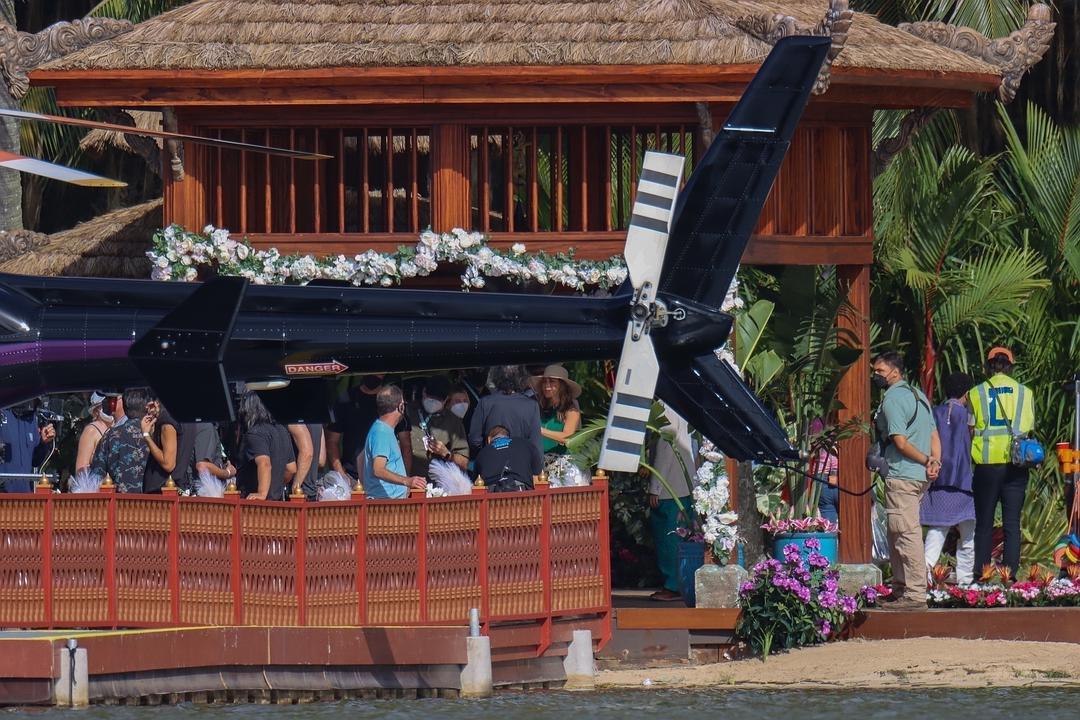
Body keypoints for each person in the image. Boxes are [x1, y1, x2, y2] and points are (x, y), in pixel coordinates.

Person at [871, 351, 940, 609]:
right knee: (897, 532)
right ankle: (900, 589)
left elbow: (899, 442)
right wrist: (935, 462)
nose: (876, 376)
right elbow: (934, 436)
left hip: (903, 474)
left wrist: (925, 460)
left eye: (880, 371)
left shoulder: (892, 399)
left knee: (906, 534)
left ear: (895, 372)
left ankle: (914, 594)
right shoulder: (918, 395)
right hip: (918, 477)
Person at [970, 346, 1035, 580]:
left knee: (984, 524)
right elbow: (1029, 427)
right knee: (1012, 523)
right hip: (1016, 465)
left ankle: (982, 576)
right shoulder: (1025, 393)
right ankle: (1009, 576)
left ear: (988, 366)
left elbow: (971, 427)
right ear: (1010, 366)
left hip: (986, 465)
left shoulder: (976, 393)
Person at [922, 372, 977, 586]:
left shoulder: (934, 413)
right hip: (964, 483)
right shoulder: (969, 416)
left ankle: (924, 577)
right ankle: (965, 581)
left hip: (939, 479)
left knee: (937, 530)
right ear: (967, 393)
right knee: (968, 536)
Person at [647, 404, 695, 602]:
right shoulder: (679, 405)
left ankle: (673, 585)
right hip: (683, 484)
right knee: (681, 537)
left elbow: (665, 448)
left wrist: (655, 486)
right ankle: (680, 584)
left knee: (669, 539)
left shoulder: (665, 407)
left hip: (670, 486)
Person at [326, 375, 409, 480]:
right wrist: (342, 476)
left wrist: (405, 479)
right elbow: (332, 441)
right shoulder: (346, 399)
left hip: (387, 480)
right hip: (352, 477)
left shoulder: (392, 402)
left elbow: (406, 445)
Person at [361, 385, 426, 499]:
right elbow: (378, 469)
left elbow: (360, 458)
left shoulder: (382, 430)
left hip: (387, 502)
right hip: (385, 504)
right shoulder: (382, 433)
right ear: (401, 407)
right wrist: (407, 481)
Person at [89, 388, 153, 493]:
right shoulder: (155, 434)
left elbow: (96, 478)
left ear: (124, 406)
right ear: (148, 407)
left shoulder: (110, 436)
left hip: (118, 500)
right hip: (153, 501)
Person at [468, 365, 542, 456]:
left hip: (492, 459)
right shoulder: (531, 405)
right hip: (520, 461)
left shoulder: (485, 402)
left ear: (496, 376)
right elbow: (536, 445)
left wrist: (486, 452)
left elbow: (474, 440)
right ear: (521, 377)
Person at [235, 391, 296, 500]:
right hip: (276, 502)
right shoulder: (282, 430)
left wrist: (262, 493)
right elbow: (291, 469)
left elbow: (264, 463)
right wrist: (275, 484)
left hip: (254, 504)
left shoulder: (255, 433)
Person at [405, 375, 469, 479]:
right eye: (430, 398)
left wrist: (446, 453)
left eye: (438, 400)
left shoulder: (453, 422)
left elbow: (464, 463)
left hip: (439, 483)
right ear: (424, 392)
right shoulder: (407, 412)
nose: (433, 403)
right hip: (409, 480)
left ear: (446, 399)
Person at [0, 401, 56, 493]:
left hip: (25, 496)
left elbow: (35, 461)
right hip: (3, 495)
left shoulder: (32, 419)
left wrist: (43, 443)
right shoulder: (3, 413)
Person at [530, 364, 582, 456]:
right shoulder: (536, 405)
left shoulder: (571, 410)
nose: (547, 386)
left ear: (562, 385)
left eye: (552, 381)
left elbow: (567, 437)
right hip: (537, 458)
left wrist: (540, 430)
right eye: (544, 382)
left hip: (560, 461)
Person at [142, 400, 193, 493]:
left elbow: (168, 464)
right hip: (178, 486)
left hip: (162, 490)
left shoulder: (167, 420)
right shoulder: (189, 417)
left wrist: (146, 436)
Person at [474, 425, 541, 492]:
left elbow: (476, 484)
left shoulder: (482, 453)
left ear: (489, 439)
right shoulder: (525, 444)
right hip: (522, 492)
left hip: (493, 494)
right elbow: (537, 477)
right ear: (508, 436)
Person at [74, 391, 115, 475]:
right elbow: (81, 468)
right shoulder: (91, 430)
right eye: (105, 404)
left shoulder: (117, 426)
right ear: (96, 410)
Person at [810, 416, 840, 525]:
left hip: (821, 477)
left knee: (829, 524)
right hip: (841, 477)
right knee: (850, 520)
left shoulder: (816, 422)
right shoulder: (844, 421)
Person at [288, 423, 325, 500]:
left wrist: (296, 486)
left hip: (297, 493)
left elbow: (307, 453)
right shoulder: (317, 422)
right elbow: (321, 461)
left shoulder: (292, 421)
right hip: (312, 491)